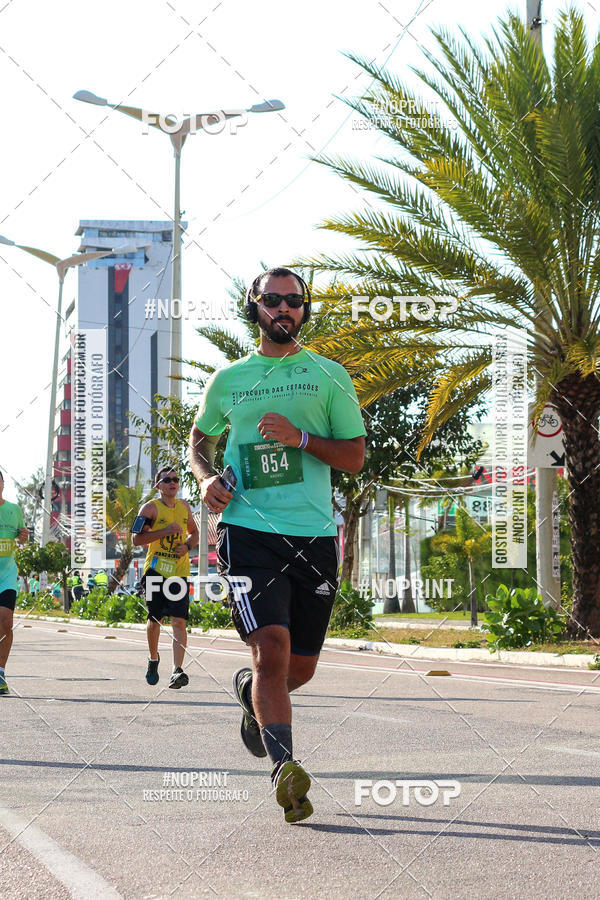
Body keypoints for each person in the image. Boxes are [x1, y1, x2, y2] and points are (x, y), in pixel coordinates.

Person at [189, 267, 366, 822]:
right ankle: (284, 770)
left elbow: (355, 457)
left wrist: (302, 439)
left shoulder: (328, 376)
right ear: (255, 307)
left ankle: (253, 698)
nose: (284, 309)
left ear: (304, 310)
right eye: (273, 300)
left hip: (312, 535)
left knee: (300, 667)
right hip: (247, 530)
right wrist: (203, 478)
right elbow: (199, 438)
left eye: (294, 301)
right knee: (270, 647)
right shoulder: (229, 380)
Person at [132, 466, 198, 689]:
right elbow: (136, 540)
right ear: (157, 485)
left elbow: (195, 532)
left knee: (179, 620)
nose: (172, 483)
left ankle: (177, 670)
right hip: (156, 570)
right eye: (167, 480)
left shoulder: (185, 507)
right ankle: (153, 658)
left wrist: (187, 546)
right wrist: (166, 531)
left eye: (176, 479)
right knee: (155, 619)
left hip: (179, 572)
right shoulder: (150, 508)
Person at [0, 470, 29, 694]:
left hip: (7, 576)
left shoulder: (14, 510)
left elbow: (21, 537)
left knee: (6, 622)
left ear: (2, 484)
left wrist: (24, 536)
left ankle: (0, 673)